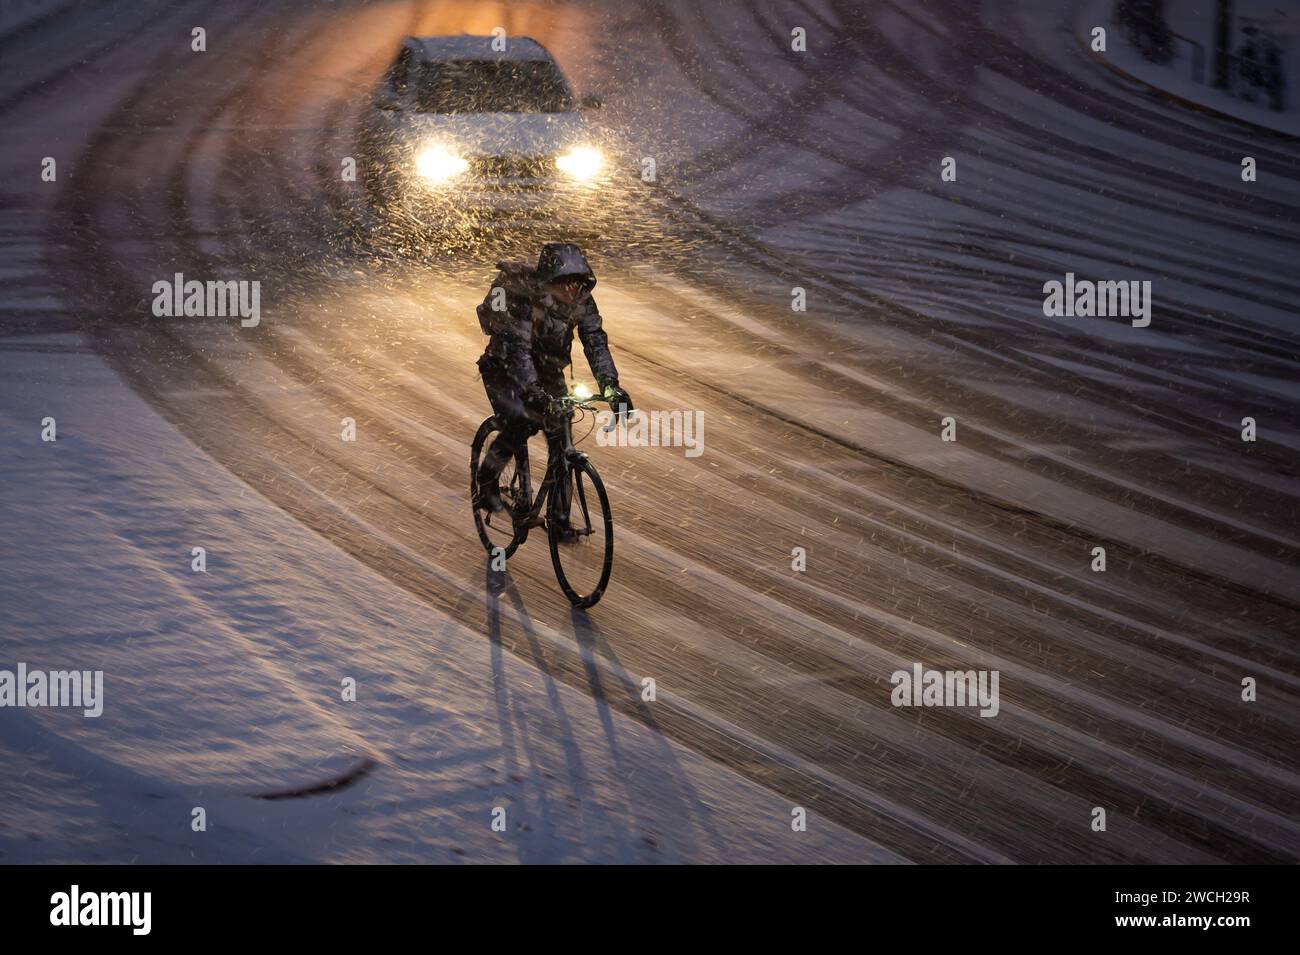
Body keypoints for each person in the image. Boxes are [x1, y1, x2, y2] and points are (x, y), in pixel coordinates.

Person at [474, 243, 632, 519]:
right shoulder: (525, 300)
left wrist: (611, 385)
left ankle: (560, 518)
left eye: (577, 285)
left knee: (562, 435)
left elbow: (595, 341)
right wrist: (532, 391)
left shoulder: (583, 301)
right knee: (520, 421)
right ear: (548, 282)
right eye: (564, 284)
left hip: (548, 369)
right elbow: (519, 351)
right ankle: (487, 481)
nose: (571, 292)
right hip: (504, 365)